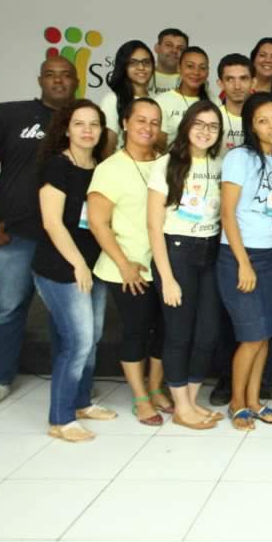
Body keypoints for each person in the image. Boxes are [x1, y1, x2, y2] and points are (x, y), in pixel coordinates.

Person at [0, 56, 77, 413]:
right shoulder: (9, 114)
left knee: (63, 313)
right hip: (15, 233)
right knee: (8, 309)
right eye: (51, 75)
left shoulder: (81, 121)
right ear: (40, 80)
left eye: (65, 76)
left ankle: (70, 384)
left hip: (62, 237)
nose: (58, 81)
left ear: (76, 81)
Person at [33, 100, 115, 441]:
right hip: (60, 268)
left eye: (94, 124)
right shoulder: (57, 166)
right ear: (65, 128)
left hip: (92, 266)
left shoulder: (100, 167)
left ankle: (82, 402)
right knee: (77, 340)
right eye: (79, 124)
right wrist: (78, 264)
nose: (87, 130)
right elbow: (52, 223)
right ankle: (61, 419)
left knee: (92, 338)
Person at [88, 97, 170, 426]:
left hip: (163, 265)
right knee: (137, 331)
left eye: (154, 122)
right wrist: (123, 264)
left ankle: (154, 387)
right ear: (124, 123)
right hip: (128, 269)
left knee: (165, 329)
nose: (147, 128)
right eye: (141, 120)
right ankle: (140, 397)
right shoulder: (110, 169)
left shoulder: (165, 162)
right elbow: (98, 223)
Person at [147, 100, 225, 430]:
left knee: (207, 332)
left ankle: (191, 401)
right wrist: (166, 277)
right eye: (199, 124)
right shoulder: (167, 164)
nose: (205, 132)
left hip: (210, 251)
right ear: (186, 127)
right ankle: (181, 407)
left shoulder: (220, 165)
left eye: (213, 126)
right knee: (179, 333)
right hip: (176, 251)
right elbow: (153, 225)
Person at [217, 92, 272, 431]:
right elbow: (227, 214)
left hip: (270, 254)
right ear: (251, 126)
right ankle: (236, 403)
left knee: (265, 335)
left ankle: (254, 400)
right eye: (263, 120)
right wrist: (242, 262)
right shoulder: (239, 158)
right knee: (250, 336)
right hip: (239, 256)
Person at [100, 40, 155, 150]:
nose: (141, 67)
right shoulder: (113, 99)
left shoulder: (157, 100)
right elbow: (107, 148)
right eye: (133, 63)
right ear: (123, 67)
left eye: (146, 62)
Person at [155, 46, 211, 147]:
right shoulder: (162, 101)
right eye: (190, 66)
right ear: (179, 68)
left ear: (208, 72)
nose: (196, 72)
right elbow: (159, 147)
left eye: (202, 68)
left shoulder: (214, 101)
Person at [216, 53, 254, 155]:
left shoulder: (265, 119)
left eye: (243, 78)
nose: (237, 86)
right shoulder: (212, 118)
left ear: (254, 83)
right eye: (230, 79)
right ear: (220, 84)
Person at [152, 28, 188, 96]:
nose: (174, 50)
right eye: (168, 45)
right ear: (157, 48)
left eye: (180, 48)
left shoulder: (191, 80)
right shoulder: (142, 76)